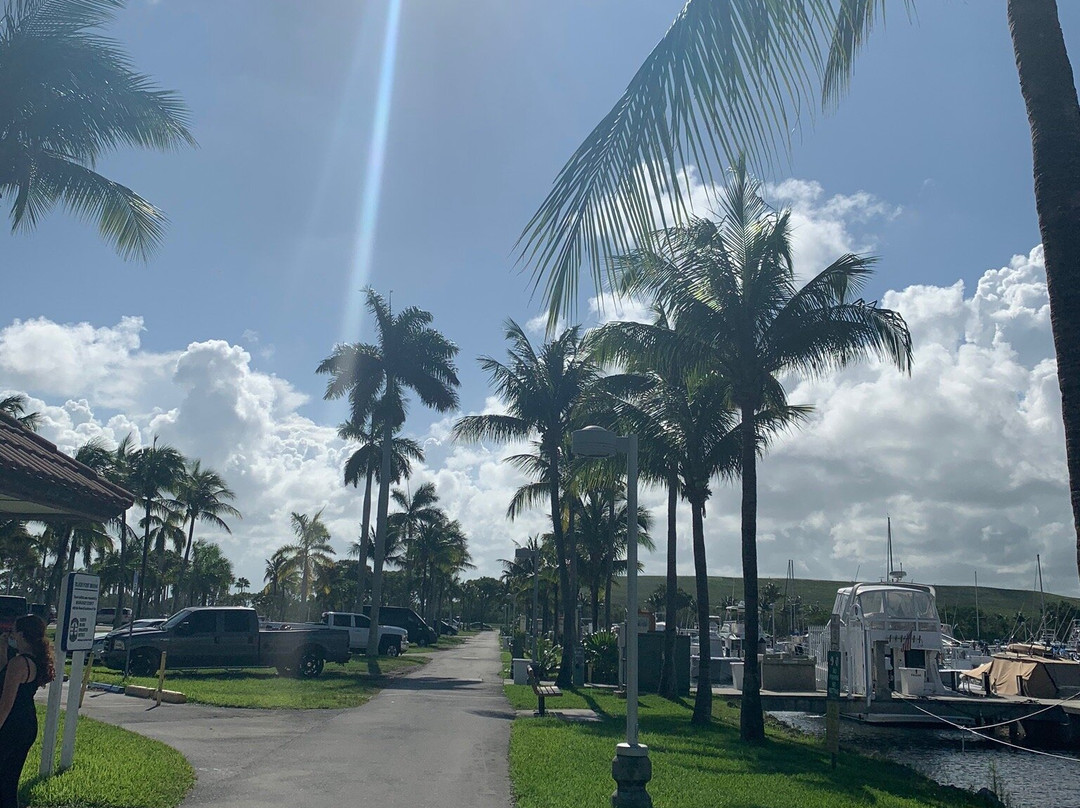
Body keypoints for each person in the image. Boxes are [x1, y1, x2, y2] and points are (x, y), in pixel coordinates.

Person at [0, 615, 55, 808]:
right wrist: (3, 648)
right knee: (8, 781)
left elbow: (6, 703)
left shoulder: (18, 664)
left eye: (14, 630)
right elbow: (3, 672)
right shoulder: (33, 660)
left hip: (11, 724)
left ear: (22, 635)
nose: (11, 633)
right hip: (27, 724)